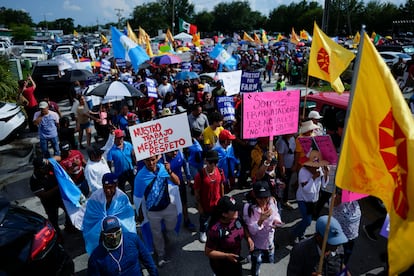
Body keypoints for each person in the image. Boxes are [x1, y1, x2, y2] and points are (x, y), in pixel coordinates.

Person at [133, 154, 181, 267]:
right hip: (153, 212)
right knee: (157, 234)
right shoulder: (140, 176)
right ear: (143, 161)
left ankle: (166, 240)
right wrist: (139, 213)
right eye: (147, 161)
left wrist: (169, 171)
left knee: (169, 227)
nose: (150, 163)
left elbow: (177, 182)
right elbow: (137, 197)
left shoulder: (163, 169)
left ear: (157, 158)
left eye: (152, 160)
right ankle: (160, 254)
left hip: (167, 207)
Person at [82, 173, 136, 255]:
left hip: (118, 233)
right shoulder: (95, 198)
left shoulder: (122, 198)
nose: (107, 190)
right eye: (105, 187)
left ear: (116, 185)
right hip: (100, 235)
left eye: (110, 187)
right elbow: (90, 218)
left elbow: (127, 219)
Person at [88, 216, 158, 276]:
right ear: (103, 234)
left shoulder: (133, 239)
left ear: (121, 230)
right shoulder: (96, 257)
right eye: (110, 234)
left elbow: (148, 261)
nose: (114, 236)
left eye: (117, 232)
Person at [205, 195, 254, 276]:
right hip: (222, 266)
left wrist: (248, 238)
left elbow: (243, 227)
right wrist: (226, 256)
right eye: (233, 210)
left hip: (236, 260)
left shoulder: (236, 218)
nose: (237, 211)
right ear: (224, 214)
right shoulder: (215, 230)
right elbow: (208, 252)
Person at [243, 181, 283, 276]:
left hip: (269, 243)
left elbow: (276, 214)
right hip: (257, 245)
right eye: (260, 198)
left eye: (266, 197)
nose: (263, 201)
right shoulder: (248, 208)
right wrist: (260, 220)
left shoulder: (272, 202)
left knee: (269, 262)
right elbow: (251, 230)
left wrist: (277, 221)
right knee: (257, 263)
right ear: (254, 195)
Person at [291, 150, 329, 243]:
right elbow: (306, 189)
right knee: (307, 221)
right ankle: (294, 233)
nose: (317, 168)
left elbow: (324, 185)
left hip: (313, 200)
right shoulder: (303, 172)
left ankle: (301, 234)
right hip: (303, 199)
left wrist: (326, 173)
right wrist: (313, 178)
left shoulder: (319, 170)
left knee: (307, 219)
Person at [30, 156, 72, 235]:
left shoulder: (48, 166)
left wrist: (49, 160)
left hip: (60, 197)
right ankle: (57, 235)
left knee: (69, 211)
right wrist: (59, 186)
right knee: (53, 220)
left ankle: (69, 227)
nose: (47, 167)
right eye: (44, 167)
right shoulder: (34, 180)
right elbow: (44, 195)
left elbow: (59, 158)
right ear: (39, 169)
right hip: (49, 203)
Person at [159, 150, 196, 231]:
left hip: (180, 183)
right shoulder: (161, 159)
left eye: (176, 151)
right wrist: (164, 169)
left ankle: (186, 220)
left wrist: (188, 177)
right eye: (172, 151)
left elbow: (185, 164)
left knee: (184, 202)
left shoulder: (180, 154)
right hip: (167, 187)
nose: (175, 153)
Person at [194, 150, 225, 243]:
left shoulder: (220, 171)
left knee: (216, 219)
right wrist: (199, 205)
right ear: (206, 161)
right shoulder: (200, 175)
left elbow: (221, 185)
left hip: (217, 202)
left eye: (215, 162)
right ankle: (202, 231)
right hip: (205, 204)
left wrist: (222, 200)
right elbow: (196, 191)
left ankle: (213, 231)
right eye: (211, 162)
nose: (213, 165)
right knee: (204, 220)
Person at [332, 189, 361, 265]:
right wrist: (341, 193)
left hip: (351, 237)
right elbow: (335, 202)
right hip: (339, 238)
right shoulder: (337, 201)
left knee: (345, 258)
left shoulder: (354, 201)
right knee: (334, 259)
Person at [106, 129, 136, 197]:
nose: (120, 139)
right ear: (114, 138)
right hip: (119, 173)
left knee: (134, 185)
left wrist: (135, 165)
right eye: (118, 138)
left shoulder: (128, 145)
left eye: (121, 137)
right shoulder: (111, 151)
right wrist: (112, 175)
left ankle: (133, 198)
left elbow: (133, 155)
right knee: (121, 189)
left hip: (130, 170)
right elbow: (109, 164)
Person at [276, 134, 296, 209]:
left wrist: (294, 164)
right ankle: (279, 201)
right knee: (281, 185)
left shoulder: (293, 139)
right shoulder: (281, 142)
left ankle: (285, 200)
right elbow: (280, 156)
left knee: (287, 184)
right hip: (284, 167)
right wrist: (282, 168)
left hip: (290, 165)